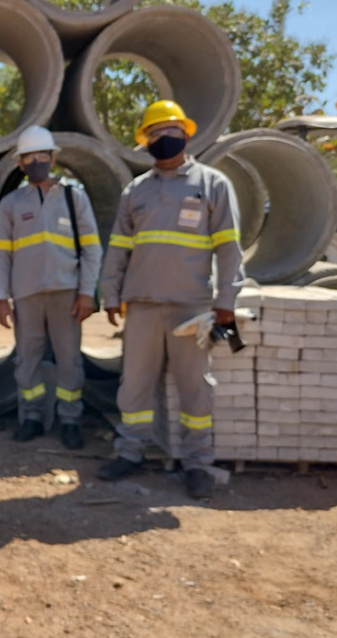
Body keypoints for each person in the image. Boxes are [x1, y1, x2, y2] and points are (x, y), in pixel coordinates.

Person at [98, 100, 244, 500]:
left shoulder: (213, 184)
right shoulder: (136, 191)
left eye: (171, 132)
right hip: (142, 305)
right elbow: (118, 249)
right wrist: (111, 293)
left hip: (191, 308)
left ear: (186, 134)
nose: (164, 140)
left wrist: (226, 301)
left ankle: (197, 464)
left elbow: (229, 248)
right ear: (145, 142)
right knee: (135, 387)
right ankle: (130, 452)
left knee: (195, 388)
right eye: (156, 134)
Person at [0, 126, 103, 450]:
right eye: (29, 157)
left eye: (43, 155)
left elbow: (92, 249)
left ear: (53, 159)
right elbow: (0, 253)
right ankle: (31, 417)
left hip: (66, 293)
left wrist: (86, 292)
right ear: (20, 163)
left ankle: (70, 420)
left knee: (69, 360)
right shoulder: (11, 204)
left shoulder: (73, 197)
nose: (37, 161)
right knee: (27, 360)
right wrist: (1, 297)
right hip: (26, 295)